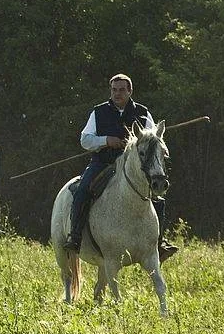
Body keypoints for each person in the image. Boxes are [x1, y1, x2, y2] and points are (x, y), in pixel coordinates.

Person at [64, 74, 178, 260]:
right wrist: (106, 140)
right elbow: (85, 139)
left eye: (121, 90)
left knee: (158, 198)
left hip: (135, 168)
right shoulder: (98, 112)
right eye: (114, 90)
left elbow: (155, 140)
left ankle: (159, 242)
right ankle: (75, 237)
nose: (117, 94)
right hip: (103, 163)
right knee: (83, 189)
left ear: (129, 91)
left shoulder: (142, 112)